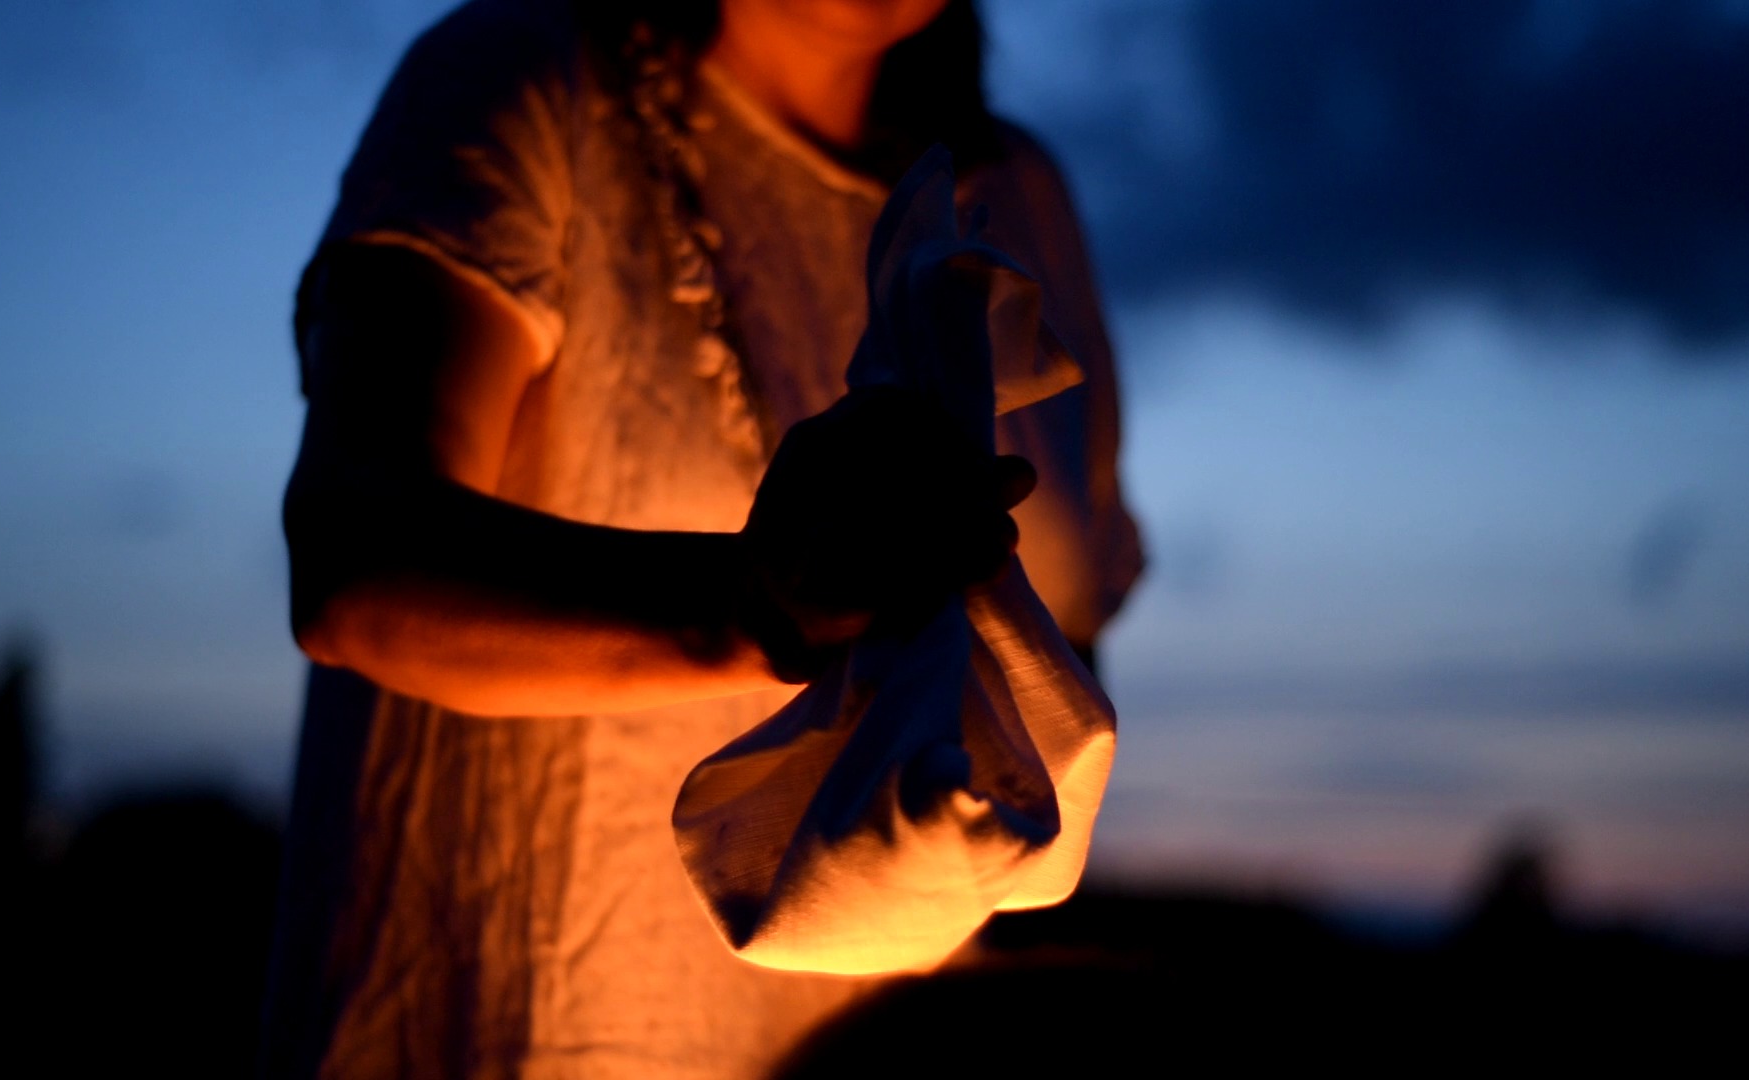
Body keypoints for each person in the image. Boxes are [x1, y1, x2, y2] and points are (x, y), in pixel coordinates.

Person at [262, 1, 1142, 1076]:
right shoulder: (531, 80)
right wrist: (756, 606)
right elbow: (359, 558)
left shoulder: (1019, 198)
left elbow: (1063, 670)